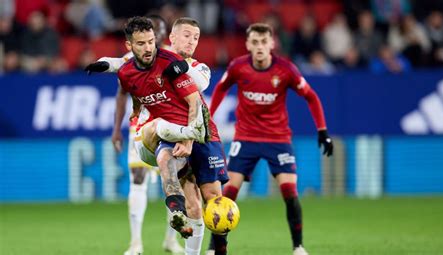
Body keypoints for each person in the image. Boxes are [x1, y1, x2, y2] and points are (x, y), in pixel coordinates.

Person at [86, 16, 214, 255]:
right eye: (143, 42)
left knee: (183, 182)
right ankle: (135, 243)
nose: (149, 47)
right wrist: (119, 124)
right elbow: (121, 70)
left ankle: (176, 222)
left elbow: (196, 93)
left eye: (154, 39)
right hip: (148, 129)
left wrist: (179, 64)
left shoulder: (174, 62)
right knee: (139, 174)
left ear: (162, 37)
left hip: (180, 131)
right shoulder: (134, 65)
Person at [208, 23, 334, 255]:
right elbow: (220, 89)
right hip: (245, 138)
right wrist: (208, 120)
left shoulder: (286, 69)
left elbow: (312, 97)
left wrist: (322, 131)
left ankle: (298, 247)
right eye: (254, 42)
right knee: (228, 194)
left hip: (278, 138)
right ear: (247, 44)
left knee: (289, 191)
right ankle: (213, 247)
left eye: (263, 42)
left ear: (272, 44)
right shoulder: (238, 67)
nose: (259, 47)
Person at [116, 16, 230, 255]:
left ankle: (220, 249)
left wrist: (189, 138)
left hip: (203, 135)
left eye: (196, 38)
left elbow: (195, 100)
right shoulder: (150, 60)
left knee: (213, 199)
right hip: (171, 134)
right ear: (171, 37)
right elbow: (127, 73)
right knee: (192, 203)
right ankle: (176, 227)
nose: (191, 41)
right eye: (187, 35)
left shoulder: (200, 68)